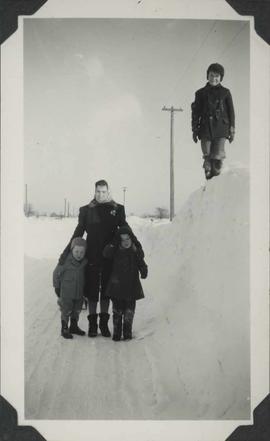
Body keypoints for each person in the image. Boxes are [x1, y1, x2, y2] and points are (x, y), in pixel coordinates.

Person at [59, 179, 143, 338]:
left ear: (108, 192)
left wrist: (136, 246)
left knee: (106, 290)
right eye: (98, 191)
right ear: (94, 191)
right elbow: (78, 232)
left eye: (104, 192)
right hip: (91, 255)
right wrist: (65, 253)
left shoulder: (117, 209)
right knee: (91, 290)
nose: (100, 194)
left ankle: (104, 324)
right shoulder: (86, 210)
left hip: (110, 257)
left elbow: (125, 229)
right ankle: (92, 325)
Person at [103, 226, 148, 341]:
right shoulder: (115, 251)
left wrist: (143, 270)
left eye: (128, 239)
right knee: (117, 311)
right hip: (117, 286)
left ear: (132, 239)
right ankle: (117, 332)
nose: (126, 242)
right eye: (122, 240)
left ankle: (127, 332)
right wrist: (114, 243)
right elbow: (106, 253)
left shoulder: (135, 251)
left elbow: (141, 262)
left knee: (129, 311)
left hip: (132, 287)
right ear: (118, 240)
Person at [191, 63, 235, 179]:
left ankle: (217, 182)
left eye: (217, 76)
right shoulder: (200, 93)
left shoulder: (226, 92)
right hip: (205, 129)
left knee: (217, 158)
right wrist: (195, 130)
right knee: (207, 158)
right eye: (211, 75)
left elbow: (231, 112)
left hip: (221, 129)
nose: (214, 78)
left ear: (221, 78)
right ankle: (209, 182)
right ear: (207, 76)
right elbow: (195, 113)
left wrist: (232, 130)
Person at [53, 237, 88, 339]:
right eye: (76, 251)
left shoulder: (85, 262)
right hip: (66, 293)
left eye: (82, 252)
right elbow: (56, 274)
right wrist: (57, 287)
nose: (79, 254)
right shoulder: (65, 262)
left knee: (76, 310)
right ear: (72, 250)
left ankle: (73, 326)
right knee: (66, 310)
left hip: (79, 293)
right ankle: (64, 328)